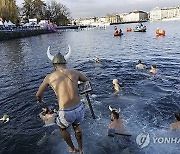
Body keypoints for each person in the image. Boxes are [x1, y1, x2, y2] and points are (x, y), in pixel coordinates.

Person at [36, 48, 89, 153]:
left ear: (54, 66)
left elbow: (38, 94)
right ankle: (81, 149)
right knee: (76, 126)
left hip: (66, 111)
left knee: (62, 128)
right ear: (65, 63)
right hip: (79, 108)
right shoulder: (75, 72)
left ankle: (72, 149)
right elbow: (87, 81)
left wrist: (40, 100)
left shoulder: (49, 77)